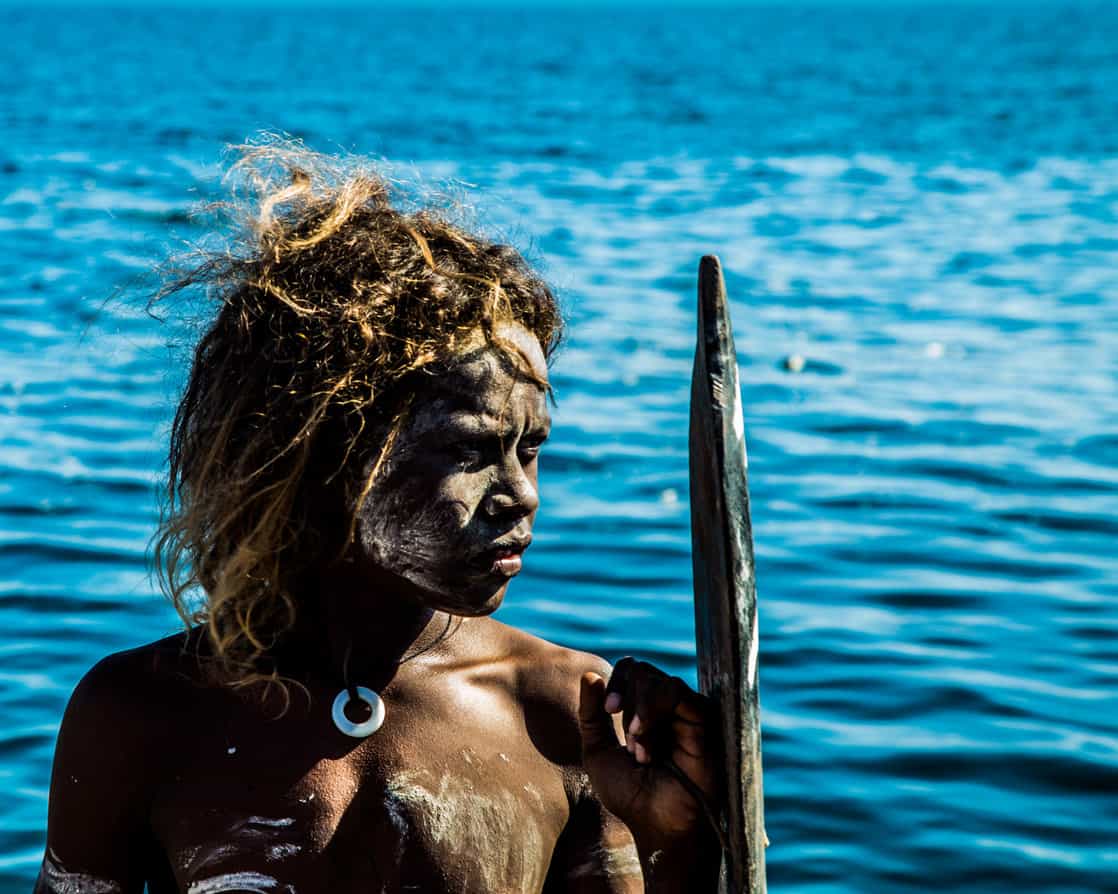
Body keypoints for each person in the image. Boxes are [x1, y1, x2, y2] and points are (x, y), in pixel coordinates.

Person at [36, 142, 721, 893]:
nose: (519, 495)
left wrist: (676, 844)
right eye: (469, 451)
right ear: (313, 458)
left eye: (530, 449)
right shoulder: (141, 714)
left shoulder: (565, 713)